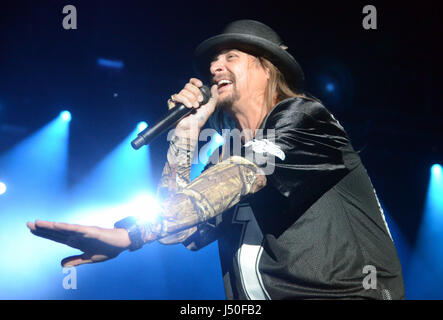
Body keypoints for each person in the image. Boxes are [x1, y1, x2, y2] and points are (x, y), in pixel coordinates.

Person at [27, 20, 405, 300]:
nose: (214, 68)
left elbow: (247, 173)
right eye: (212, 61)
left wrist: (132, 235)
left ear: (267, 66)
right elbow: (180, 228)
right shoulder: (225, 154)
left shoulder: (305, 117)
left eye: (230, 57)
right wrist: (187, 134)